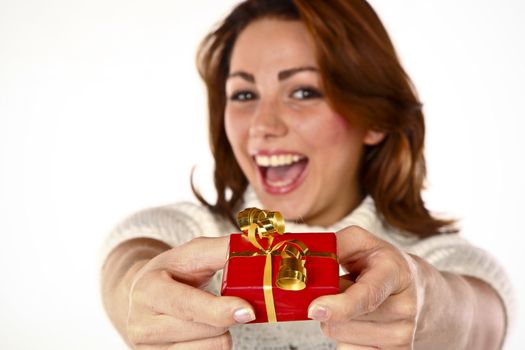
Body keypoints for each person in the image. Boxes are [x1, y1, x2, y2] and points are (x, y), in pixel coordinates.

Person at [101, 0, 513, 349]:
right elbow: (129, 262)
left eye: (303, 92)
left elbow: (482, 316)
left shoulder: (440, 259)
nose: (262, 125)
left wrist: (429, 302)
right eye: (244, 94)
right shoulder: (187, 232)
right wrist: (136, 288)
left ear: (374, 118)